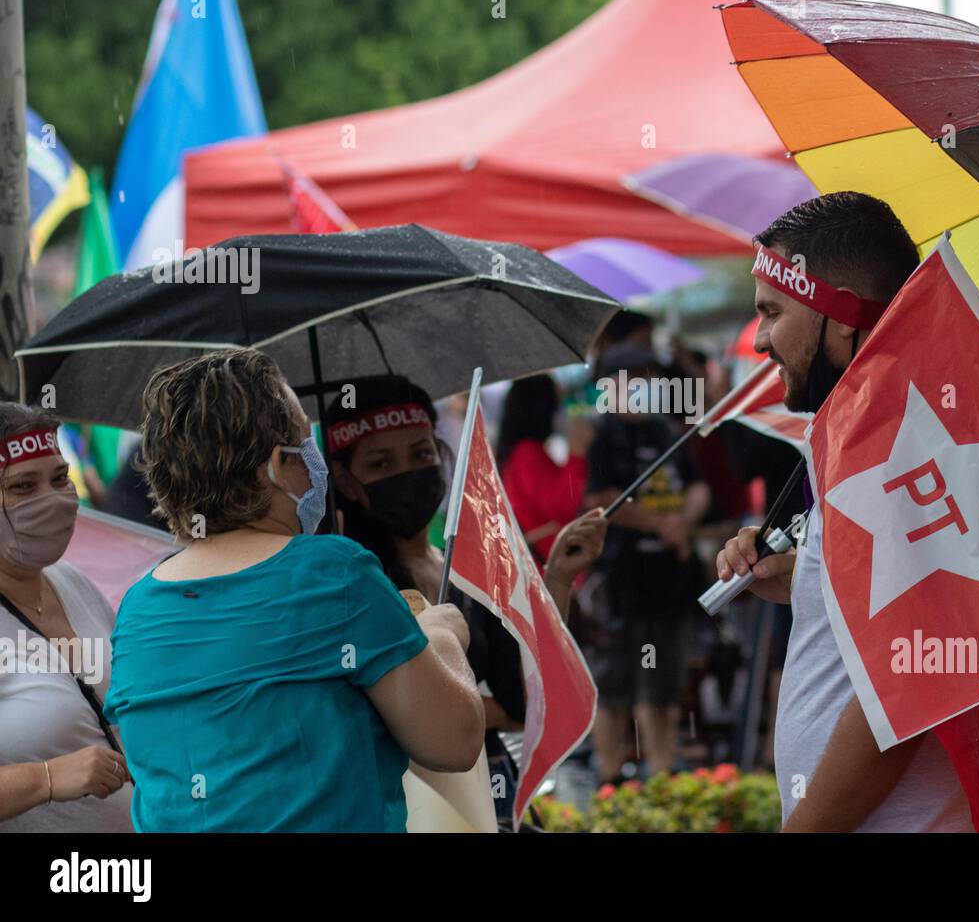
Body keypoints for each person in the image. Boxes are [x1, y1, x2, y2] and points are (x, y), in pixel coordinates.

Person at [104, 350, 485, 832]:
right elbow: (454, 740)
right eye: (306, 446)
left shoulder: (138, 607)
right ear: (277, 467)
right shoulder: (332, 571)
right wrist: (441, 634)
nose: (315, 464)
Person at [715, 192, 973, 832]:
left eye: (773, 313)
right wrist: (807, 577)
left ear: (844, 313)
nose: (763, 340)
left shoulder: (897, 438)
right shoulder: (872, 426)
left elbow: (911, 679)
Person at [323, 374, 606, 823]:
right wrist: (467, 716)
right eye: (380, 464)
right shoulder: (350, 586)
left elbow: (526, 699)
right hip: (409, 807)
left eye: (420, 454)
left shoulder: (467, 567)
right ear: (345, 480)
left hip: (491, 795)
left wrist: (557, 582)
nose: (406, 474)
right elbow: (381, 718)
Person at [0, 403, 133, 831]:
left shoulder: (71, 580)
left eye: (60, 479)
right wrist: (48, 778)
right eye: (23, 487)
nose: (51, 499)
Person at [585, 341, 710, 782]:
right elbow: (603, 501)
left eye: (651, 376)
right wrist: (661, 526)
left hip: (671, 584)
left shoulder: (668, 433)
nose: (649, 385)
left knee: (663, 684)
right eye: (636, 377)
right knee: (616, 685)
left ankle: (660, 773)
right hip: (623, 585)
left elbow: (698, 487)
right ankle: (609, 775)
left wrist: (684, 521)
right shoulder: (604, 439)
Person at [497, 374, 593, 567]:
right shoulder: (527, 453)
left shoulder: (524, 451)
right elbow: (562, 506)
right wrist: (577, 454)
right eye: (557, 402)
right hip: (546, 569)